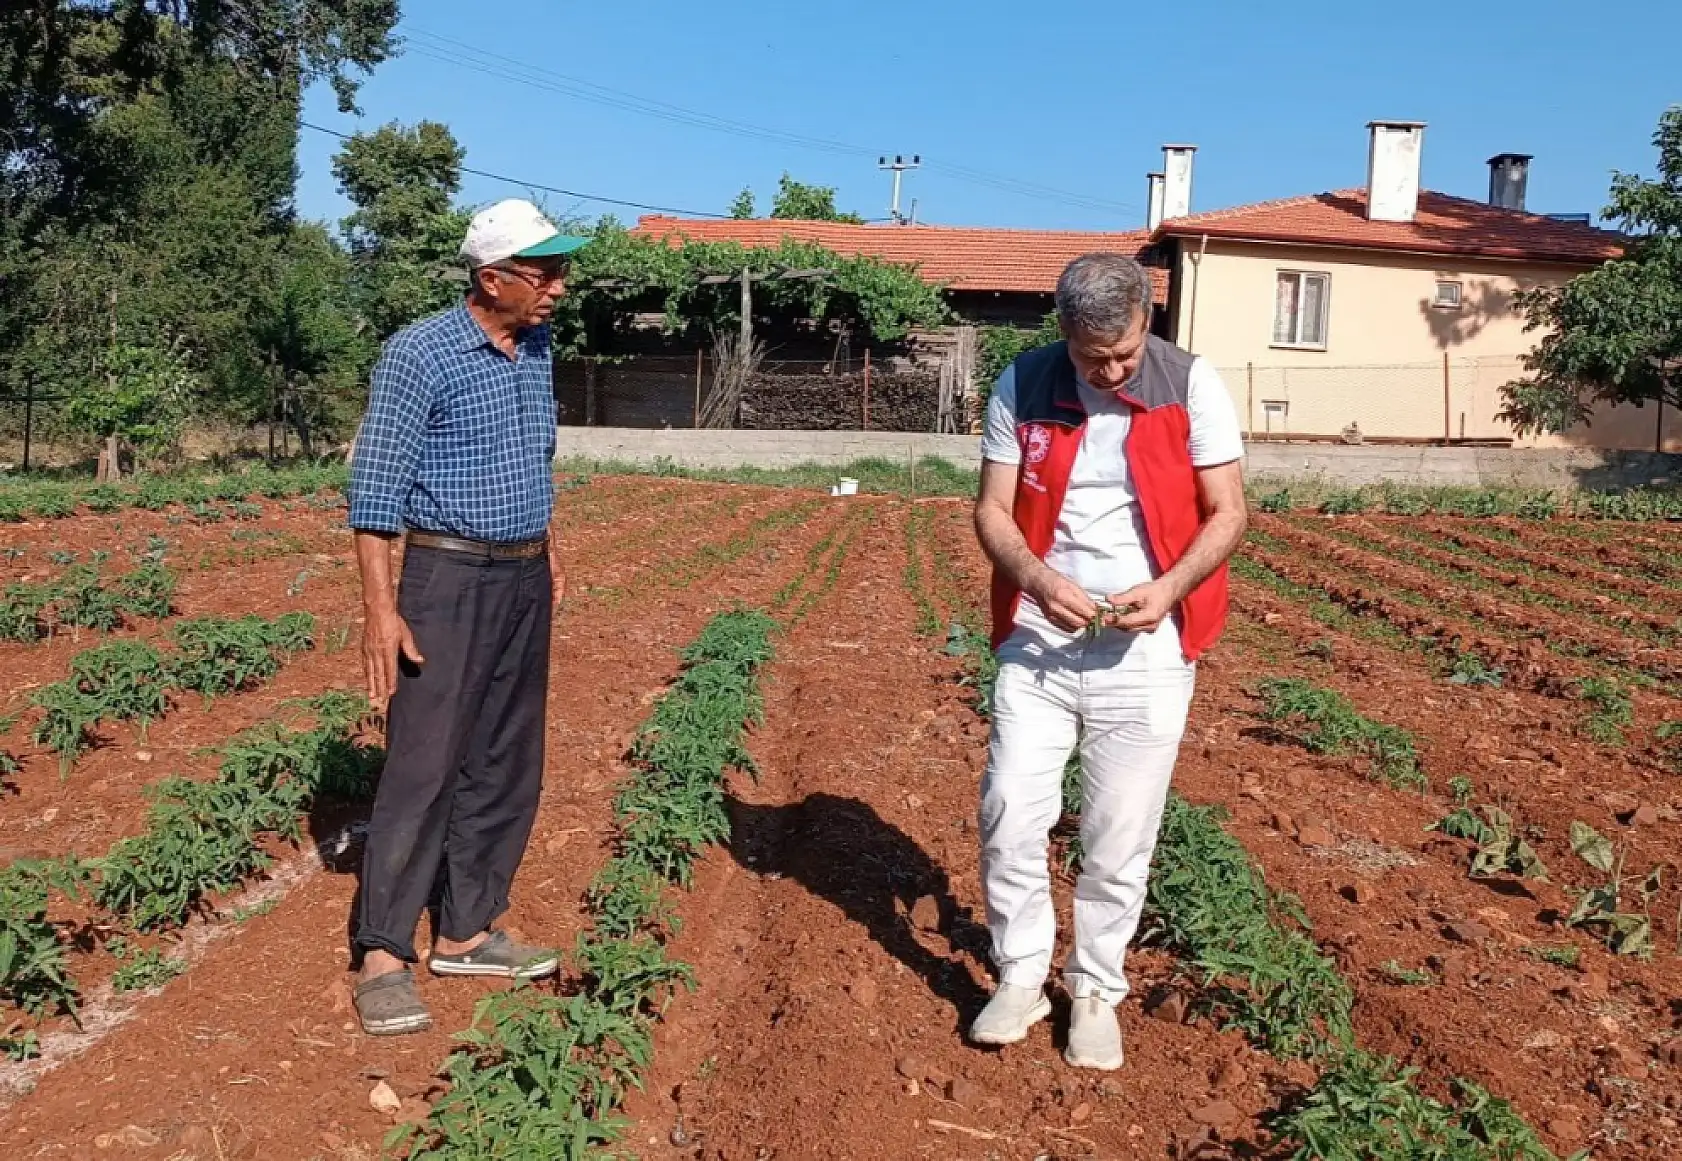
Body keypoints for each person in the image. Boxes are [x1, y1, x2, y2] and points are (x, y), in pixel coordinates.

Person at [967, 252, 1247, 1070]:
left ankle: (1094, 988)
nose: (1113, 370)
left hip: (1149, 642)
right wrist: (1038, 579)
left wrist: (1169, 588)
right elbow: (991, 508)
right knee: (1011, 808)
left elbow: (1228, 512)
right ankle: (1021, 973)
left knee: (1119, 831)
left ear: (1145, 320)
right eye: (1095, 359)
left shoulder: (1190, 385)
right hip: (1042, 637)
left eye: (1124, 352)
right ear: (1063, 331)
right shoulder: (1022, 384)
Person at [345, 198, 588, 1036]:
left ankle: (467, 929)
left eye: (560, 269)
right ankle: (382, 951)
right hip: (444, 577)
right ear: (492, 278)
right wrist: (382, 610)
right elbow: (374, 493)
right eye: (544, 271)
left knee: (506, 758)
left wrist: (545, 547)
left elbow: (534, 456)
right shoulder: (420, 354)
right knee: (424, 762)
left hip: (521, 576)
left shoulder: (537, 346)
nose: (559, 285)